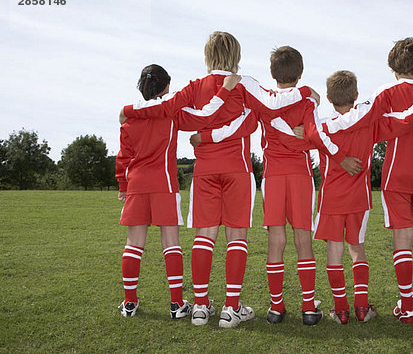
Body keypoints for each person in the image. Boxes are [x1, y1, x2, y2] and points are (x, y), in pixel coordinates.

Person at [119, 32, 319, 328]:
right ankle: (230, 308)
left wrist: (127, 110)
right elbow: (272, 107)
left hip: (204, 172)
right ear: (236, 56)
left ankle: (200, 307)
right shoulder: (245, 83)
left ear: (206, 56)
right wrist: (306, 92)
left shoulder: (194, 87)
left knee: (204, 237)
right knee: (236, 238)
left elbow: (169, 110)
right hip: (237, 170)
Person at [190, 46, 362, 326]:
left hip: (272, 176)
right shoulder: (307, 102)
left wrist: (205, 136)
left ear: (272, 73)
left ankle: (276, 307)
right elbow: (315, 137)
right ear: (301, 73)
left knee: (276, 241)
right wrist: (304, 137)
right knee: (302, 240)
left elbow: (251, 122)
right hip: (301, 176)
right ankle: (308, 308)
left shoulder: (263, 100)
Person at [312, 37, 413, 324]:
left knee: (401, 240)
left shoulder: (383, 94)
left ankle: (406, 306)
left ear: (392, 65)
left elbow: (357, 123)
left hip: (394, 176)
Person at [278, 70, 413, 324]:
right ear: (357, 95)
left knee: (334, 251)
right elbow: (406, 120)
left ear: (329, 98)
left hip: (330, 200)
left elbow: (298, 138)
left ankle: (341, 310)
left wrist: (301, 131)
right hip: (359, 200)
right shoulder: (370, 123)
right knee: (357, 250)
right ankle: (362, 308)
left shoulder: (322, 129)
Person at [115, 64, 238, 319]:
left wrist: (123, 185)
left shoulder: (129, 118)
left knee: (133, 245)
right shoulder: (172, 114)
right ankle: (176, 304)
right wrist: (225, 91)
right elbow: (205, 116)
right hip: (164, 184)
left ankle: (129, 303)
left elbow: (123, 156)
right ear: (167, 87)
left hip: (137, 185)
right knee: (170, 244)